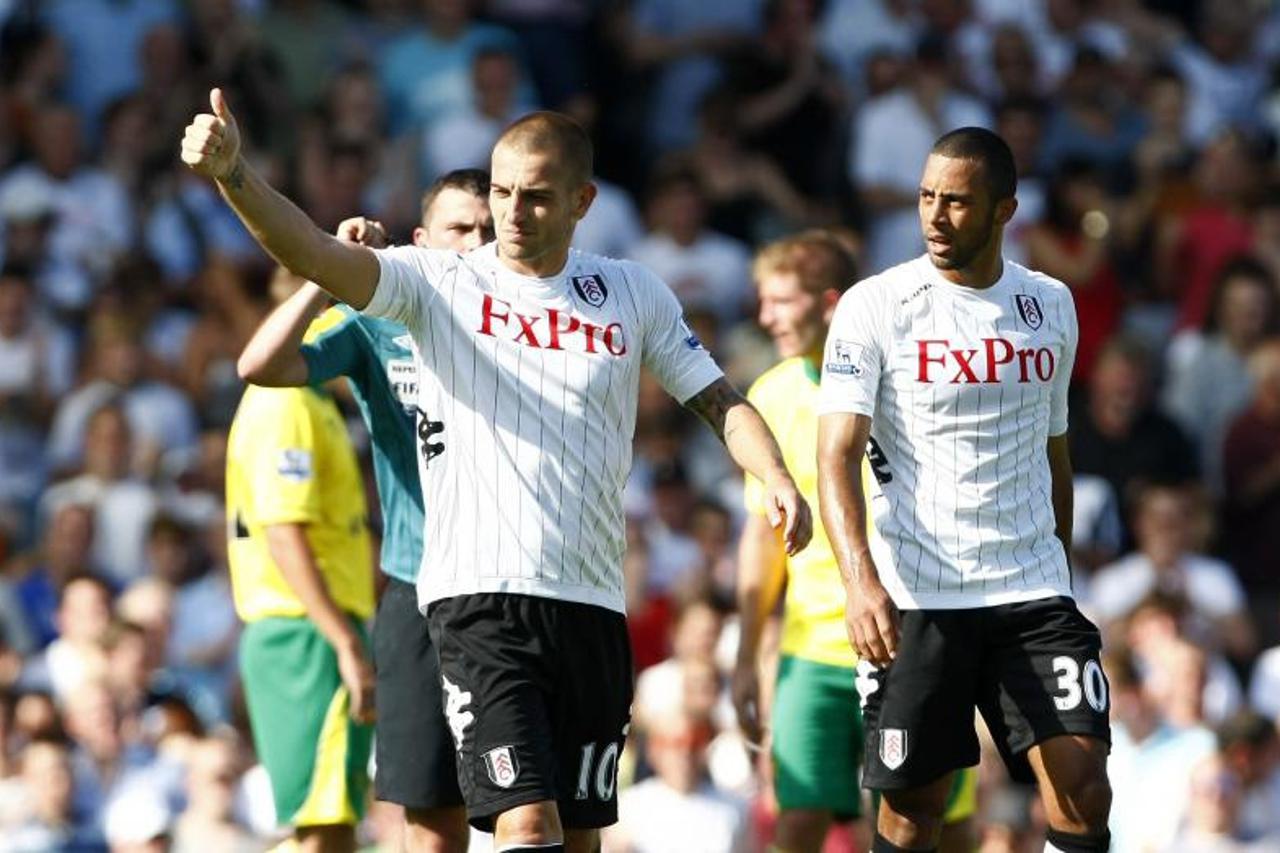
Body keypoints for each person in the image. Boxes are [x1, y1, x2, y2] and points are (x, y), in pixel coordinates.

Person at [181, 90, 810, 853]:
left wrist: (774, 473)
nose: (512, 212)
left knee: (579, 837)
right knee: (522, 824)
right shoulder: (437, 282)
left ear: (583, 201)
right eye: (503, 190)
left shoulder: (631, 292)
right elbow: (310, 249)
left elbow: (721, 400)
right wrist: (235, 175)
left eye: (536, 197)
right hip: (478, 599)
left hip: (589, 600)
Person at [816, 127, 1112, 853]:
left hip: (1030, 588)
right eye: (926, 198)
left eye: (956, 202)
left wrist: (1060, 576)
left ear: (1004, 209)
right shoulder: (875, 304)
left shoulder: (1051, 305)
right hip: (919, 594)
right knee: (913, 811)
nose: (935, 218)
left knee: (1084, 782)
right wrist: (859, 584)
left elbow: (1055, 453)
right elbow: (835, 457)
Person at [235, 168, 495, 853]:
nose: (476, 244)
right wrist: (327, 275)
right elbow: (259, 364)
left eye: (488, 230)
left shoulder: (533, 324)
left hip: (514, 585)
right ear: (421, 241)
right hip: (415, 591)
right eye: (460, 229)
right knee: (428, 819)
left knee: (535, 812)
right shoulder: (377, 325)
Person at [734, 231, 976, 853]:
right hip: (810, 652)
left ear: (830, 303)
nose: (767, 317)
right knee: (797, 824)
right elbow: (763, 541)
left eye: (782, 300)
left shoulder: (911, 380)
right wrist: (747, 657)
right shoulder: (771, 394)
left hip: (913, 638)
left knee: (939, 828)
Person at [224, 266, 377, 853]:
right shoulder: (286, 401)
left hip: (302, 629)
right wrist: (343, 641)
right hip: (307, 632)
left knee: (325, 822)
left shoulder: (308, 400)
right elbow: (283, 531)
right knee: (324, 827)